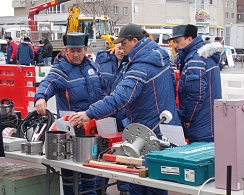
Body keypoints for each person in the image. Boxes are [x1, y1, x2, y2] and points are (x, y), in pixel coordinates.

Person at [68, 23, 181, 195]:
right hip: (159, 128)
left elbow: (121, 97)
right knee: (155, 182)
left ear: (134, 41)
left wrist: (89, 113)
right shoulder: (159, 59)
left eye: (124, 43)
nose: (121, 47)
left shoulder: (141, 66)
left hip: (146, 133)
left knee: (143, 183)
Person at [35, 32, 105, 195]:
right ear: (66, 50)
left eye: (79, 50)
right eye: (72, 51)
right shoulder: (60, 69)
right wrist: (40, 98)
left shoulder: (93, 67)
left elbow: (103, 90)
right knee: (70, 178)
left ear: (85, 49)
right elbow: (48, 83)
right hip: (70, 131)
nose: (75, 54)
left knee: (90, 176)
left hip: (91, 130)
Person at [170, 24, 223, 143]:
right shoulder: (204, 56)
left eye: (178, 41)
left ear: (190, 39)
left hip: (200, 123)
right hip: (210, 120)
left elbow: (196, 94)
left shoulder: (195, 60)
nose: (176, 46)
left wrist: (187, 118)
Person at [95, 43, 129, 195]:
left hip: (123, 115)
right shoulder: (102, 62)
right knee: (102, 151)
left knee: (123, 152)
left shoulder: (131, 63)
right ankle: (100, 187)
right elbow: (98, 87)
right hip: (106, 114)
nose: (121, 51)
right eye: (119, 47)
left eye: (124, 48)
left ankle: (124, 188)